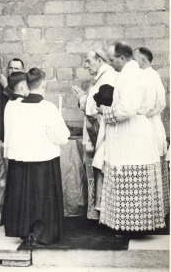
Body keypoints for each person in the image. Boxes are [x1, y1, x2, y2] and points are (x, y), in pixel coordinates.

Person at [98, 42, 165, 237]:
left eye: (112, 60)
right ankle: (134, 226)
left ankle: (130, 228)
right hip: (137, 130)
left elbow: (127, 109)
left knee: (128, 176)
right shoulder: (136, 73)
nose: (111, 65)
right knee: (134, 179)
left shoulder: (130, 75)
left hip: (131, 133)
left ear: (122, 58)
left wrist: (106, 112)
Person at [3, 68, 70, 245]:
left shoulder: (14, 106)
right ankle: (43, 233)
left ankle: (26, 232)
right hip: (43, 160)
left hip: (21, 159)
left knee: (25, 196)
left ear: (27, 85)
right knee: (42, 197)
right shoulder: (48, 108)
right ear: (43, 84)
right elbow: (62, 137)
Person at [72, 49, 118, 220]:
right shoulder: (102, 77)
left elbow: (95, 107)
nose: (85, 65)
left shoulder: (108, 77)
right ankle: (97, 212)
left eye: (88, 61)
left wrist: (83, 99)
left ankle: (101, 214)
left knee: (100, 169)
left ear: (99, 60)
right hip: (97, 129)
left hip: (102, 129)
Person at [133, 47, 169, 216]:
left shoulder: (150, 75)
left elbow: (161, 103)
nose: (133, 62)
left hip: (151, 124)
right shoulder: (143, 75)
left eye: (135, 58)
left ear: (143, 60)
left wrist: (145, 115)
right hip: (146, 123)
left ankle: (155, 211)